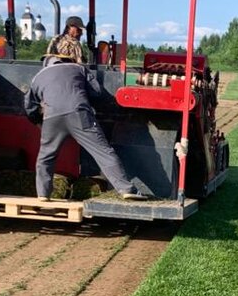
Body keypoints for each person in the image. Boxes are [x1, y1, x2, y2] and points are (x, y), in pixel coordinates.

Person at [24, 51, 146, 201]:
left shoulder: (38, 77)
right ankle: (127, 190)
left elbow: (29, 106)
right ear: (66, 59)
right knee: (103, 152)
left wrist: (38, 122)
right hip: (79, 114)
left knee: (45, 157)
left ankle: (43, 194)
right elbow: (97, 92)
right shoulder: (78, 68)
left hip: (51, 118)